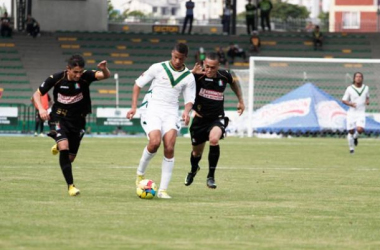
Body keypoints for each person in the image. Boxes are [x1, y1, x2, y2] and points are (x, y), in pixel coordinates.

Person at [32, 55, 110, 196]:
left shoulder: (86, 76)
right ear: (68, 69)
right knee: (64, 147)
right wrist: (41, 109)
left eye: (80, 72)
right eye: (75, 72)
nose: (78, 75)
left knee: (70, 158)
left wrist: (104, 69)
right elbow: (36, 95)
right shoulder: (56, 78)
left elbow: (105, 76)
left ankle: (59, 141)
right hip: (58, 117)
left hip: (78, 121)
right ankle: (71, 186)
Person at [126, 43, 196, 199]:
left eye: (181, 58)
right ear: (172, 53)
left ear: (185, 58)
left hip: (171, 112)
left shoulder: (189, 77)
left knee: (170, 146)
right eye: (175, 57)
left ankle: (163, 190)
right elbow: (137, 85)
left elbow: (189, 99)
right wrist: (133, 107)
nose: (177, 61)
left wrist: (186, 111)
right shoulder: (158, 67)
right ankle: (140, 174)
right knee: (155, 142)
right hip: (152, 109)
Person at [184, 52, 245, 188]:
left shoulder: (224, 75)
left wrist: (240, 100)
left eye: (213, 67)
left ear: (218, 66)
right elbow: (179, 80)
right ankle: (193, 170)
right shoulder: (196, 77)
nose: (209, 70)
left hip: (216, 119)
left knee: (214, 140)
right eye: (207, 67)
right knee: (196, 153)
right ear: (203, 64)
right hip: (199, 120)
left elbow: (234, 82)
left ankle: (211, 176)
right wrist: (191, 72)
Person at [342, 72, 369, 154]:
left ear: (362, 78)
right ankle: (351, 149)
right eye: (357, 76)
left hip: (361, 113)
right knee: (351, 131)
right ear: (354, 78)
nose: (358, 78)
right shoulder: (350, 89)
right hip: (351, 114)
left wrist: (367, 101)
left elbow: (367, 97)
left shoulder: (366, 88)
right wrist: (350, 104)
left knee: (360, 129)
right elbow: (344, 100)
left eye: (360, 76)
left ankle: (354, 137)